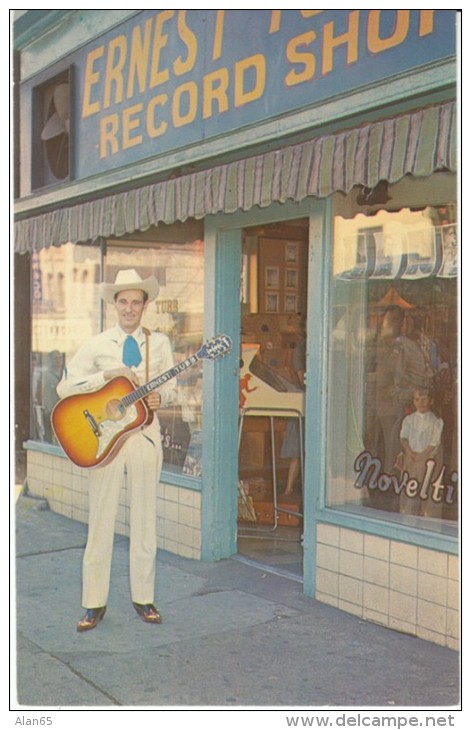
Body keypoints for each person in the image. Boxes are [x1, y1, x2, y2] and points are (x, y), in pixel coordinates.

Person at [56, 269, 175, 631]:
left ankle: (144, 598)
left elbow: (170, 388)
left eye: (135, 302)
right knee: (101, 518)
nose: (129, 308)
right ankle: (93, 603)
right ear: (114, 305)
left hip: (143, 436)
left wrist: (160, 397)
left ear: (144, 305)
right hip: (104, 440)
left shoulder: (161, 344)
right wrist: (103, 378)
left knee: (144, 518)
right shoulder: (96, 344)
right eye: (123, 302)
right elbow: (66, 388)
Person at [396, 387, 444, 516]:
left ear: (431, 401)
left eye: (424, 399)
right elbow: (404, 437)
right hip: (411, 459)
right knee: (409, 490)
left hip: (427, 459)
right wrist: (410, 453)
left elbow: (434, 442)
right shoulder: (409, 420)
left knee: (427, 490)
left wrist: (422, 455)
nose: (420, 403)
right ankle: (407, 517)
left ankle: (427, 519)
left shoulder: (436, 421)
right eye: (417, 399)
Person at [280, 316, 306, 497]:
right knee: (297, 448)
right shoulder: (300, 350)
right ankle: (289, 488)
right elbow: (300, 377)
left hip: (307, 401)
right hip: (303, 401)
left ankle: (292, 488)